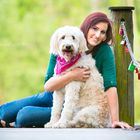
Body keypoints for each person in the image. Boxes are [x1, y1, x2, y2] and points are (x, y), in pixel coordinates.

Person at [0, 12, 132, 128]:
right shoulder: (63, 43)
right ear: (87, 27)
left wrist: (115, 120)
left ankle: (15, 123)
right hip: (54, 92)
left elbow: (110, 86)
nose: (97, 35)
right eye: (94, 29)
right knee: (5, 111)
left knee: (24, 115)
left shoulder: (103, 51)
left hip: (77, 102)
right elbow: (48, 85)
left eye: (102, 32)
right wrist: (72, 75)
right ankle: (8, 122)